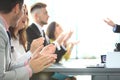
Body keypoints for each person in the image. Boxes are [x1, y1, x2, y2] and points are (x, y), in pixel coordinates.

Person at [0, 0, 57, 80]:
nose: (26, 16)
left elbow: (9, 67)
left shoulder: (4, 31)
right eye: (23, 11)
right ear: (16, 8)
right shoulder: (1, 32)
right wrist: (30, 69)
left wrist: (35, 59)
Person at [26, 2, 67, 80]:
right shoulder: (29, 31)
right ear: (36, 16)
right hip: (38, 76)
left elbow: (54, 58)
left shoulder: (43, 33)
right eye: (45, 13)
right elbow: (37, 57)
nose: (48, 16)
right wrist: (57, 43)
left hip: (47, 73)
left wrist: (59, 43)